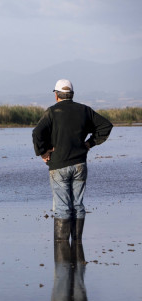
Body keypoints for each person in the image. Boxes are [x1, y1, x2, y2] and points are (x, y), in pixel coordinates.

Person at [32, 79, 113, 242]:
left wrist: (43, 152)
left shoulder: (52, 112)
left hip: (58, 165)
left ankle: (62, 248)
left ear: (56, 95)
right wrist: (89, 143)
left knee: (62, 207)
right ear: (72, 94)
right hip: (80, 165)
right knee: (77, 205)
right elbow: (106, 126)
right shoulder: (84, 110)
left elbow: (36, 133)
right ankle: (77, 244)